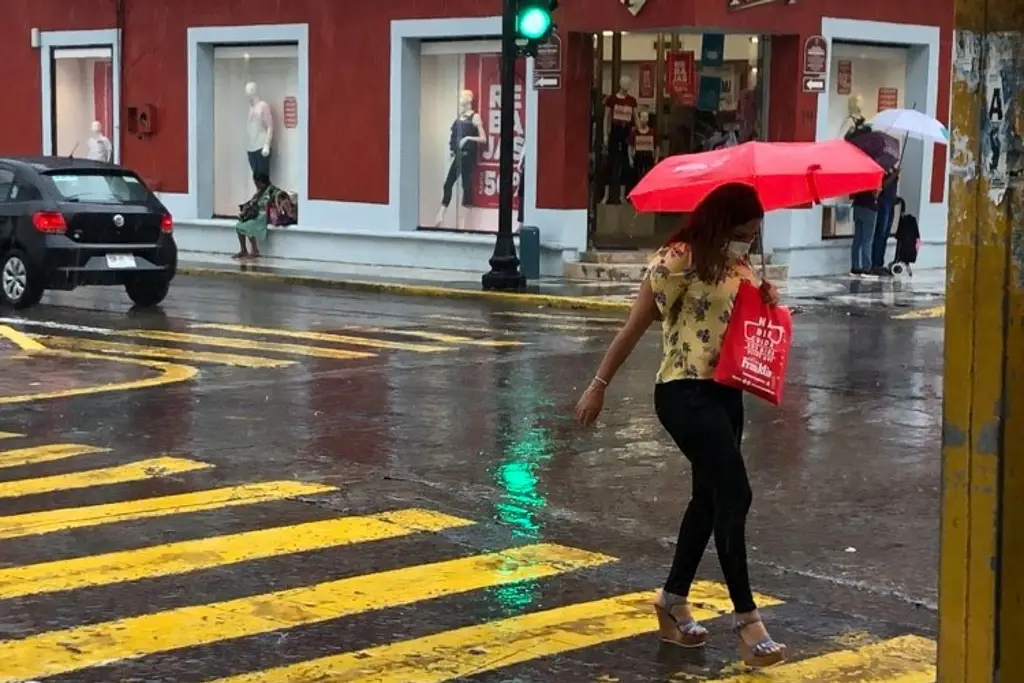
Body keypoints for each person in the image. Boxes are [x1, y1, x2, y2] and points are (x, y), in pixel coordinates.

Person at [574, 183, 787, 668]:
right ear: (720, 224)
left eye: (753, 237)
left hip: (726, 392)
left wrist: (766, 301)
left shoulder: (739, 267)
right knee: (736, 493)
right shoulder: (677, 259)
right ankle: (747, 620)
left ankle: (672, 601)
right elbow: (634, 325)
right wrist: (599, 385)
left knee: (710, 500)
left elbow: (739, 324)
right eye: (741, 234)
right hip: (683, 392)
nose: (747, 244)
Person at [234, 172, 278, 259]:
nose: (256, 185)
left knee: (248, 226)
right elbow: (252, 203)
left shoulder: (272, 191)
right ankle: (243, 250)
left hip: (264, 215)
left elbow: (275, 201)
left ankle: (255, 250)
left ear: (262, 182)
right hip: (256, 214)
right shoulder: (259, 192)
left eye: (257, 183)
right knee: (239, 226)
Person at [871, 168, 900, 274]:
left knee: (886, 234)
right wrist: (894, 176)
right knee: (880, 233)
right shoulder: (882, 170)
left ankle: (880, 262)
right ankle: (876, 263)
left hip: (890, 202)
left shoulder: (892, 170)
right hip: (883, 203)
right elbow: (882, 186)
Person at [850, 186, 878, 276]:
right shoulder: (873, 176)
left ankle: (855, 266)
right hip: (869, 208)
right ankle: (866, 268)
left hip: (857, 207)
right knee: (867, 240)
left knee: (857, 239)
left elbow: (852, 194)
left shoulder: (859, 176)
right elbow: (875, 194)